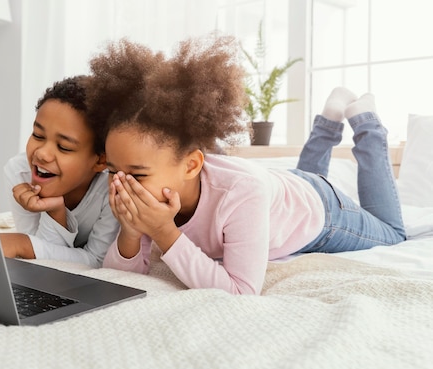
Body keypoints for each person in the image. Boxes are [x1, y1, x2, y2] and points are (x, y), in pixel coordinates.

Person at [84, 34, 406, 294]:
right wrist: (130, 232)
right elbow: (120, 276)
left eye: (137, 174)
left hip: (323, 212)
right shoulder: (147, 189)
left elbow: (241, 291)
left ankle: (367, 125)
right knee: (305, 177)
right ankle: (328, 121)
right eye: (113, 170)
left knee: (393, 234)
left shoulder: (240, 194)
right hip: (284, 186)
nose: (121, 183)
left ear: (192, 165)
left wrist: (165, 232)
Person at [0, 76, 119, 268]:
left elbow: (97, 260)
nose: (42, 153)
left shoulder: (111, 188)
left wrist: (22, 244)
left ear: (101, 160)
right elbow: (42, 254)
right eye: (38, 135)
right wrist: (55, 212)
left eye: (64, 147)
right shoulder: (19, 172)